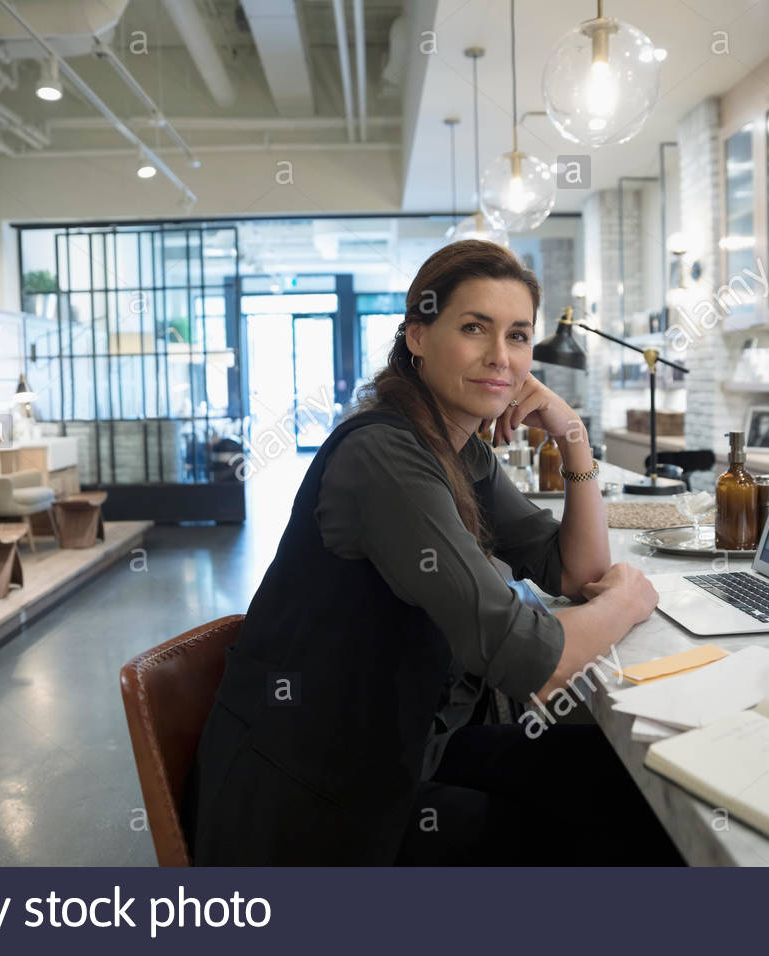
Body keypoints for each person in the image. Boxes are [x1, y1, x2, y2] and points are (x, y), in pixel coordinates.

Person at [183, 240, 678, 865]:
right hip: (321, 803)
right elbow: (530, 659)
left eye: (518, 336)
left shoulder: (457, 446)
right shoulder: (385, 455)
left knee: (633, 780)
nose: (502, 358)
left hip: (412, 742)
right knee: (619, 828)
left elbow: (575, 573)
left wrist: (574, 440)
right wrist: (630, 600)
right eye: (475, 328)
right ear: (417, 335)